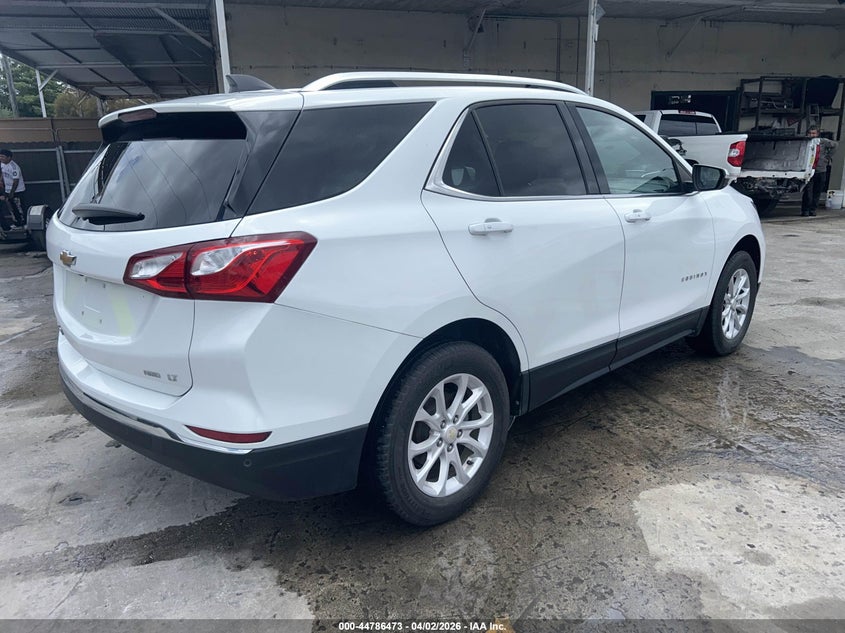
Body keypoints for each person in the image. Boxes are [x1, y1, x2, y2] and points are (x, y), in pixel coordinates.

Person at [802, 126, 838, 217]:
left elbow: (835, 145)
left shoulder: (823, 142)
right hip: (809, 170)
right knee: (808, 192)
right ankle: (805, 210)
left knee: (817, 191)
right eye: (810, 133)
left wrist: (827, 157)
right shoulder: (806, 142)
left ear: (817, 134)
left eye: (813, 133)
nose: (812, 135)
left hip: (821, 169)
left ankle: (813, 209)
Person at [0, 148, 27, 228]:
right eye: (0, 156)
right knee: (12, 207)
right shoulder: (2, 164)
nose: (1, 158)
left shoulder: (14, 167)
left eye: (3, 157)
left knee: (19, 208)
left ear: (9, 158)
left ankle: (24, 223)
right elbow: (2, 173)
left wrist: (12, 192)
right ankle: (17, 223)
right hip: (7, 190)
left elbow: (16, 181)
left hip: (17, 191)